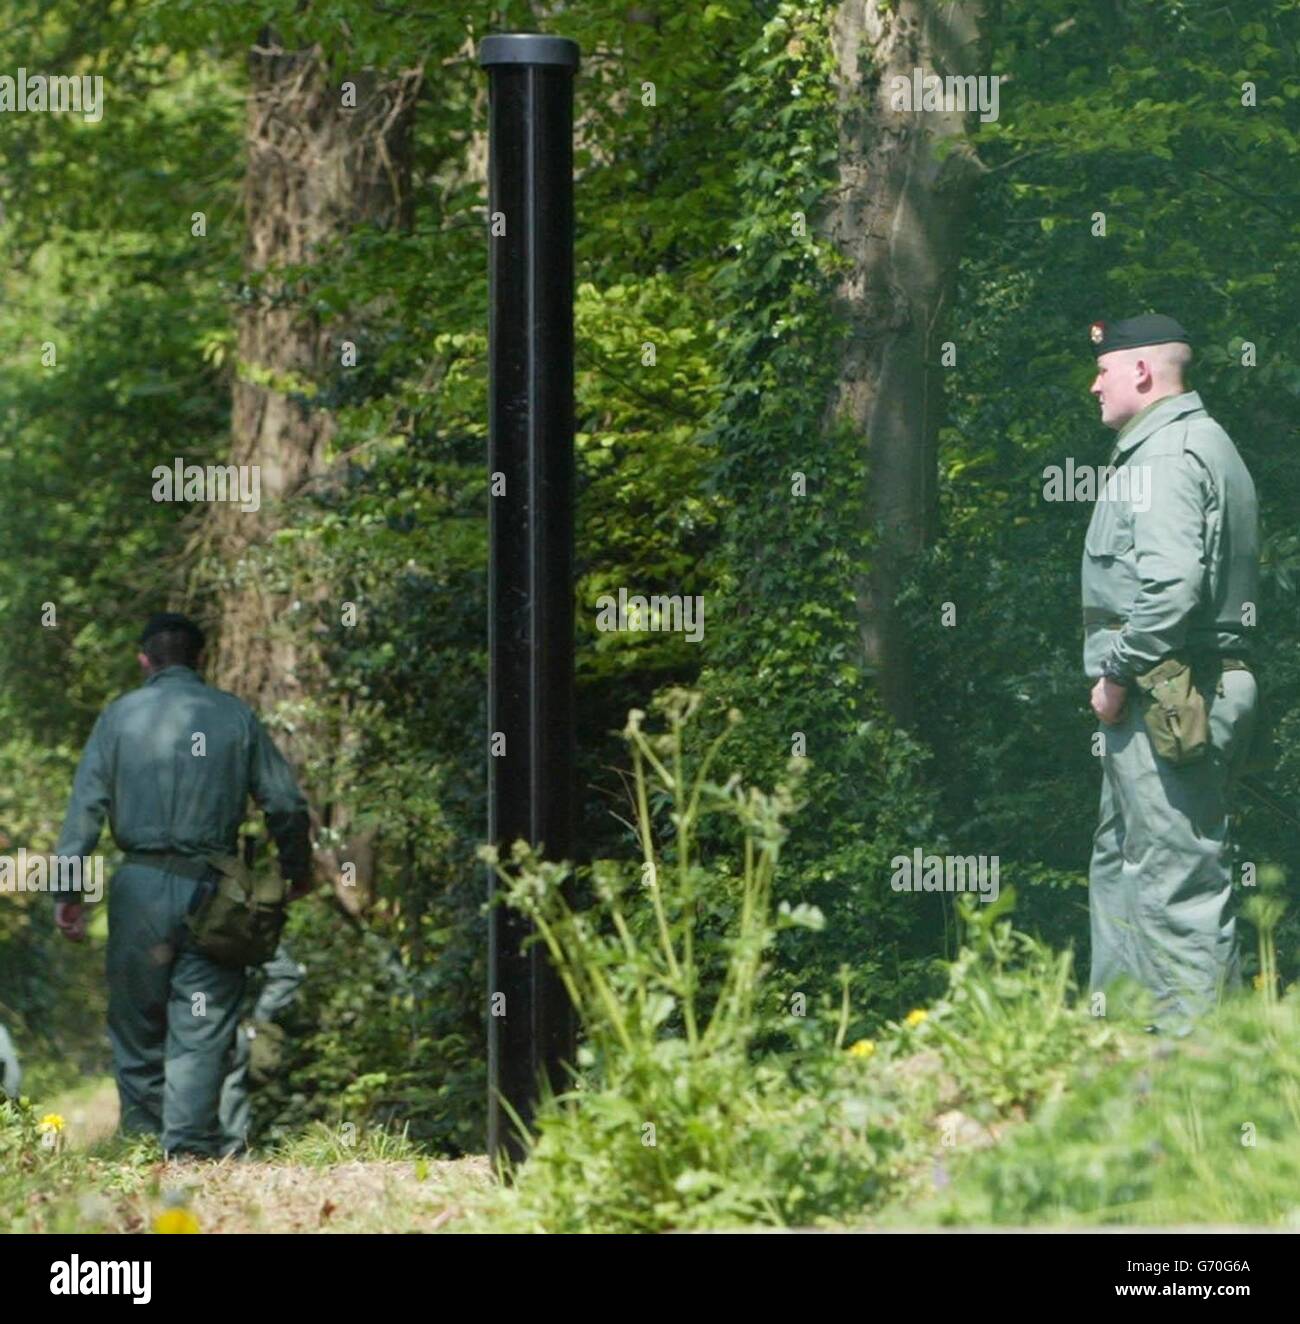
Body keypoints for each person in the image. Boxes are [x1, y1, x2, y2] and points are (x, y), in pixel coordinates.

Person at [53, 613, 312, 1157]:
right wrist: (295, 873)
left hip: (139, 887)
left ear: (144, 660)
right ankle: (189, 1152)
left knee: (138, 1022)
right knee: (203, 1020)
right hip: (215, 891)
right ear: (201, 658)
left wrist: (69, 895)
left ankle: (144, 1147)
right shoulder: (234, 715)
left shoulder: (119, 717)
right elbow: (285, 803)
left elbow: (84, 814)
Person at [1082, 314, 1259, 1033]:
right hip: (1181, 693)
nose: (1093, 383)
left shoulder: (1164, 457)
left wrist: (1117, 676)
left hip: (1168, 696)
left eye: (1104, 369)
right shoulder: (1201, 444)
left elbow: (1171, 590)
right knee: (1130, 863)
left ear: (1143, 373)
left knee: (1174, 880)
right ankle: (1127, 1055)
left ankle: (1199, 1083)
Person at [217, 942, 306, 1157]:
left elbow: (286, 973)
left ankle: (230, 1158)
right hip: (207, 1020)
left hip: (221, 1024)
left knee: (228, 1088)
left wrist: (258, 1021)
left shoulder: (232, 922)